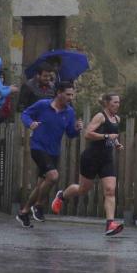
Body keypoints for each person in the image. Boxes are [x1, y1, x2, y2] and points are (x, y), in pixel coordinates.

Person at [51, 93, 125, 236]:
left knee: (110, 190)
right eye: (115, 102)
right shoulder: (100, 116)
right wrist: (105, 136)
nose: (118, 105)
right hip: (91, 158)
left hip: (107, 159)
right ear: (107, 103)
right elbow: (87, 133)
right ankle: (62, 196)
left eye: (119, 102)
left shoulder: (117, 119)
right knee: (83, 189)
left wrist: (116, 143)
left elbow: (111, 135)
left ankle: (110, 224)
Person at [17, 82, 83, 228]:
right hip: (38, 147)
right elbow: (25, 113)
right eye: (68, 94)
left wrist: (77, 129)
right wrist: (30, 123)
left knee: (41, 184)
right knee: (53, 176)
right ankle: (39, 206)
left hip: (54, 151)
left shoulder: (70, 112)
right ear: (58, 93)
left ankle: (24, 211)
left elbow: (70, 134)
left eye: (72, 95)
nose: (70, 97)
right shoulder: (42, 105)